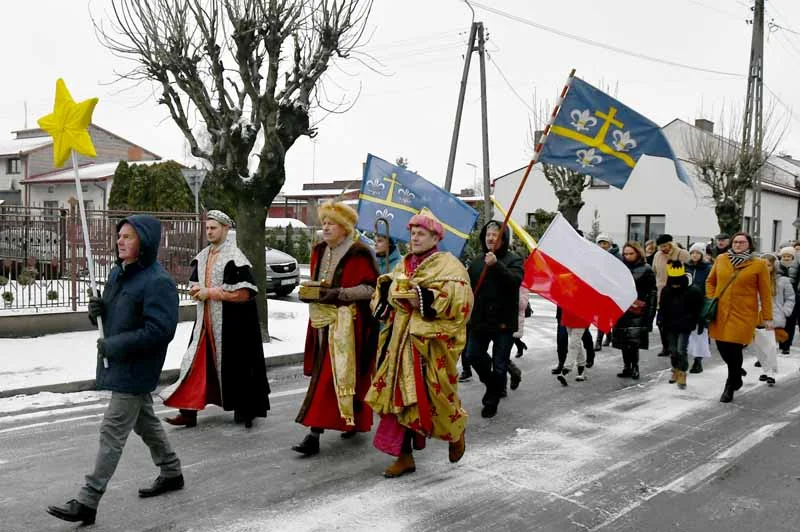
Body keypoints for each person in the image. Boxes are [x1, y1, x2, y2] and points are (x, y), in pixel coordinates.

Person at [47, 216, 183, 525]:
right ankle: (172, 471)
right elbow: (113, 316)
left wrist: (116, 345)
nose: (120, 241)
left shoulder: (158, 281)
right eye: (119, 236)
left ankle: (88, 499)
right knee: (145, 423)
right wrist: (97, 311)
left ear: (144, 242)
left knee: (112, 431)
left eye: (128, 237)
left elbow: (160, 331)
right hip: (121, 362)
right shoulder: (118, 273)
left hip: (137, 367)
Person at [365, 208, 472, 477]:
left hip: (428, 346)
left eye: (421, 233)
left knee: (437, 397)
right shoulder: (403, 264)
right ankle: (404, 456)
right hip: (399, 345)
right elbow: (387, 294)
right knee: (397, 400)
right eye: (412, 233)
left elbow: (460, 302)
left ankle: (455, 431)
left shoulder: (449, 265)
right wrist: (388, 291)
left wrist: (422, 299)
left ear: (435, 238)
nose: (414, 238)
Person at [161, 211, 270, 429]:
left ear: (225, 229)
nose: (209, 232)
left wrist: (209, 292)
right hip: (205, 323)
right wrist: (196, 289)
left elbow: (244, 294)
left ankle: (246, 411)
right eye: (208, 228)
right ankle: (188, 412)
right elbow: (195, 283)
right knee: (195, 364)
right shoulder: (203, 256)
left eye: (214, 228)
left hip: (233, 326)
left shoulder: (235, 257)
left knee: (239, 367)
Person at [292, 200, 379, 456]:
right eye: (324, 223)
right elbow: (318, 282)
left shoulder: (359, 252)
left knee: (332, 376)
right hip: (322, 323)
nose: (326, 228)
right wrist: (311, 292)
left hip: (350, 327)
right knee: (330, 375)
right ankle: (350, 420)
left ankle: (313, 433)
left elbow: (370, 289)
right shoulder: (319, 249)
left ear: (344, 227)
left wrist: (339, 294)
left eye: (331, 224)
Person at [464, 220, 524, 418]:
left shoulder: (513, 259)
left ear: (503, 238)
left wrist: (497, 265)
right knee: (472, 355)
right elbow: (468, 288)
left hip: (503, 322)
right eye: (488, 234)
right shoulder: (477, 261)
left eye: (495, 234)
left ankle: (491, 400)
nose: (490, 237)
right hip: (479, 320)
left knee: (500, 364)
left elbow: (514, 281)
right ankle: (493, 385)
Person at [706, 232, 773, 403]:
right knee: (722, 345)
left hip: (744, 313)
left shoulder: (758, 264)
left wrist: (767, 317)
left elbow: (765, 293)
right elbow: (710, 281)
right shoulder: (721, 259)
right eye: (735, 242)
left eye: (742, 242)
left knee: (734, 346)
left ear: (749, 245)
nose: (738, 245)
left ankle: (730, 384)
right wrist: (713, 297)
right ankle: (736, 374)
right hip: (721, 311)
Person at [612, 242, 657, 380]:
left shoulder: (646, 269)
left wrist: (650, 316)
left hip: (638, 309)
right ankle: (626, 366)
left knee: (634, 341)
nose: (628, 256)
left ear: (638, 253)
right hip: (621, 308)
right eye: (625, 253)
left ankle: (635, 367)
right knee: (623, 341)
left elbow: (652, 293)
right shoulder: (619, 268)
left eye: (631, 253)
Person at [658, 261, 704, 389]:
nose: (675, 284)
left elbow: (698, 309)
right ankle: (675, 369)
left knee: (681, 349)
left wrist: (699, 322)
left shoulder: (693, 291)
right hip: (670, 324)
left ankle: (682, 372)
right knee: (673, 350)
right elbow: (662, 307)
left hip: (685, 325)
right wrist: (660, 319)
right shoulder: (667, 290)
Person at [652, 234, 690, 357]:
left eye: (665, 246)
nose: (664, 249)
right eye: (661, 247)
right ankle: (665, 346)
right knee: (661, 322)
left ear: (671, 243)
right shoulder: (657, 256)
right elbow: (655, 271)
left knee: (676, 321)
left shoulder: (681, 253)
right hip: (662, 292)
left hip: (678, 292)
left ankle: (679, 347)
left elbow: (688, 270)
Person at [759, 254, 794, 384]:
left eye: (768, 265)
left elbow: (790, 298)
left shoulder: (783, 281)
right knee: (761, 346)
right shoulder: (756, 279)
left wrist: (785, 312)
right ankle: (766, 369)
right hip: (758, 316)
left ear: (774, 266)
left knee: (771, 346)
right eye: (763, 265)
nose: (765, 268)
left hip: (775, 316)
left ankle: (770, 373)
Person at [686, 242, 712, 373]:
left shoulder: (708, 268)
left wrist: (708, 302)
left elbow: (711, 285)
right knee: (687, 331)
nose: (695, 255)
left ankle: (698, 360)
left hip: (702, 303)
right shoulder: (686, 267)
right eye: (692, 253)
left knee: (700, 332)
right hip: (687, 303)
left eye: (697, 253)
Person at [594, 233, 621, 351]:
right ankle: (601, 339)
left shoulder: (618, 256)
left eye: (604, 243)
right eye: (600, 243)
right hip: (600, 289)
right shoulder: (596, 255)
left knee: (613, 316)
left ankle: (610, 337)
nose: (602, 246)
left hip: (613, 290)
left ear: (609, 244)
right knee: (602, 316)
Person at [557, 307, 592, 385]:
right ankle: (581, 369)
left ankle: (566, 370)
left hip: (581, 317)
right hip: (568, 316)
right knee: (577, 344)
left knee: (573, 345)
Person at [776, 246, 799, 354]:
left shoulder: (797, 265)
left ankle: (787, 346)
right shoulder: (777, 265)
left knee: (790, 321)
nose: (786, 258)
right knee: (779, 320)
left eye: (789, 256)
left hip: (794, 296)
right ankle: (781, 342)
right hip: (779, 296)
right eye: (784, 256)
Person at [513, 286, 530, 358]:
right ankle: (520, 345)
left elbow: (522, 305)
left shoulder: (523, 286)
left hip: (515, 317)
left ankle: (520, 346)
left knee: (511, 336)